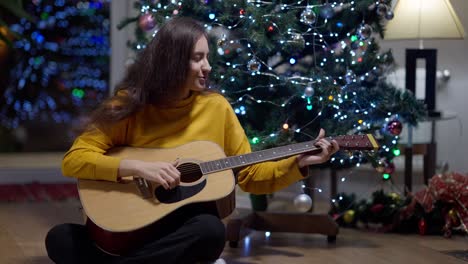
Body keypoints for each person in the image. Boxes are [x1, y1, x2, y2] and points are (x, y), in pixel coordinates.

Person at [45, 16, 339, 264]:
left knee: (211, 231)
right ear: (172, 62)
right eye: (198, 58)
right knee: (59, 238)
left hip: (181, 229)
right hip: (126, 230)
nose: (207, 67)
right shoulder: (128, 106)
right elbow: (75, 160)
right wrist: (137, 168)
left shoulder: (216, 108)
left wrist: (298, 164)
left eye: (207, 57)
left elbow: (249, 174)